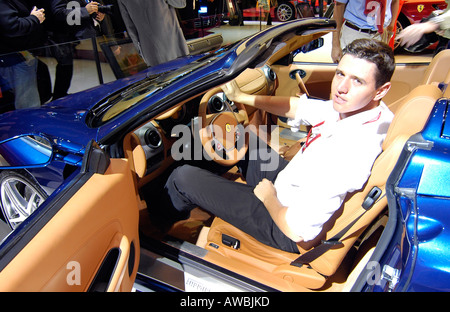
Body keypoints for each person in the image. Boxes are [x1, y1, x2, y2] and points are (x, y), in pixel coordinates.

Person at [162, 39, 395, 253]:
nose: (341, 88)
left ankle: (161, 232)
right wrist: (243, 97)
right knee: (241, 137)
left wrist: (269, 197)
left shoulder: (350, 152)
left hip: (283, 223)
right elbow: (298, 108)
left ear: (382, 90)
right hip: (294, 182)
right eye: (340, 74)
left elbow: (298, 229)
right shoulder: (366, 113)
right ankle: (203, 199)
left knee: (182, 177)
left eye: (357, 81)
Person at [0, 1, 47, 109]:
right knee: (27, 104)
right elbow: (11, 27)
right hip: (15, 57)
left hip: (19, 56)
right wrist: (34, 19)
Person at [117, 0, 189, 67]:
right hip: (173, 43)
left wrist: (141, 51)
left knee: (162, 78)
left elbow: (130, 27)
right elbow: (181, 3)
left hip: (149, 49)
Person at [331, 0, 399, 62]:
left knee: (376, 72)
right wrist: (335, 45)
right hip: (354, 32)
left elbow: (395, 2)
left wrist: (391, 25)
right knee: (351, 70)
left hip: (380, 34)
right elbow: (339, 5)